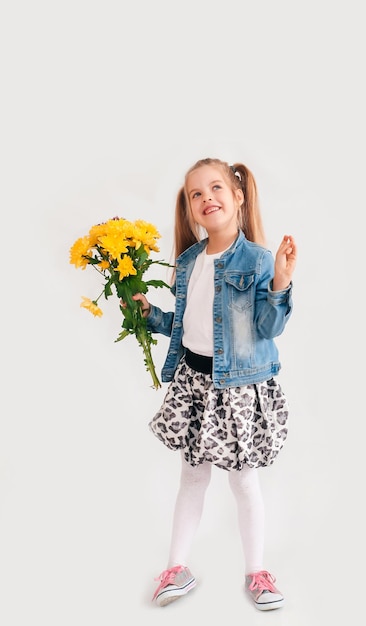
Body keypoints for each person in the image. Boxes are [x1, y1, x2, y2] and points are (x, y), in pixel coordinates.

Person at [134, 157, 297, 611]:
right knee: (192, 477)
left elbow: (267, 327)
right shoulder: (188, 263)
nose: (207, 198)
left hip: (240, 389)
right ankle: (176, 566)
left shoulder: (258, 260)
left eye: (216, 188)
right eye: (196, 194)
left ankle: (257, 571)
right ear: (189, 210)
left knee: (244, 481)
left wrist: (280, 283)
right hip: (195, 384)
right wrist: (150, 315)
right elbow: (186, 324)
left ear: (238, 195)